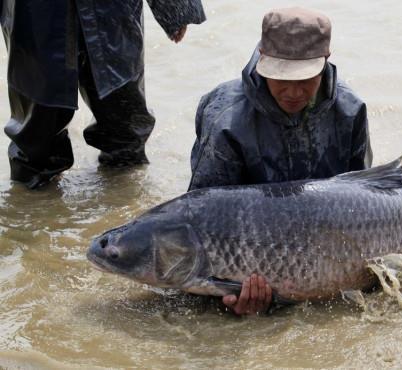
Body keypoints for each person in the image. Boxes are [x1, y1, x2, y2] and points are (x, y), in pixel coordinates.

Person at [188, 7, 373, 315]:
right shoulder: (225, 119)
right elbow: (204, 215)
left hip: (326, 237)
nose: (292, 91)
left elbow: (362, 197)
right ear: (262, 58)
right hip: (249, 245)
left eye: (305, 79)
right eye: (281, 78)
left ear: (325, 60)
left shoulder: (350, 110)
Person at [0, 0, 206, 189]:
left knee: (125, 121)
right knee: (36, 133)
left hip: (110, 11)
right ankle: (33, 214)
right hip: (34, 11)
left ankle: (124, 203)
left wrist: (174, 8)